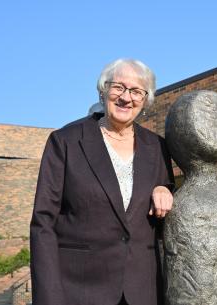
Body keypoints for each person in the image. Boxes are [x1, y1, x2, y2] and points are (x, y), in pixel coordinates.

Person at [30, 59, 175, 305]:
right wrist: (49, 298)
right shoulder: (65, 141)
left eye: (137, 91)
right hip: (79, 290)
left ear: (145, 100)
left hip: (142, 290)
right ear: (103, 90)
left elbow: (165, 209)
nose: (126, 97)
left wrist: (165, 188)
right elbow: (43, 223)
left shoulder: (157, 147)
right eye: (118, 87)